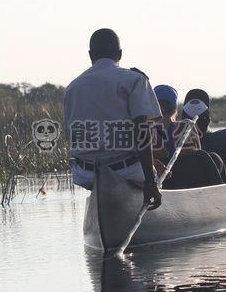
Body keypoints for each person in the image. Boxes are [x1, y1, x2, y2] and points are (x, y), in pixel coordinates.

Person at [64, 28, 163, 210]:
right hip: (126, 171)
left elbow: (73, 137)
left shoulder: (72, 88)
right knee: (157, 177)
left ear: (90, 55)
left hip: (86, 174)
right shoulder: (134, 80)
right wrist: (151, 180)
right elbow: (142, 132)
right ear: (120, 54)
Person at [152, 85, 226, 188]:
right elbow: (200, 156)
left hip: (165, 184)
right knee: (215, 158)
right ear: (175, 109)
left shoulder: (146, 132)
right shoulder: (187, 125)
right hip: (192, 182)